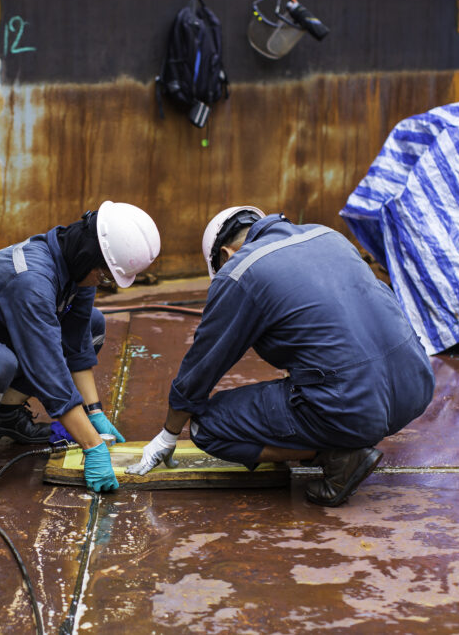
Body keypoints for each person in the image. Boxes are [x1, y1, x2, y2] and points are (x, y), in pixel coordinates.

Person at [127, 206, 434, 507]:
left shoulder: (241, 270)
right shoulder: (328, 236)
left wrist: (169, 434)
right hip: (416, 389)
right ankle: (345, 434)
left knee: (205, 427)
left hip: (353, 406)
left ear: (225, 255)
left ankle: (337, 457)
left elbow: (202, 366)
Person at [0, 201, 160, 492]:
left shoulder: (78, 268)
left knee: (93, 324)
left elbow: (77, 343)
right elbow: (48, 366)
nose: (101, 283)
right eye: (104, 275)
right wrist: (91, 444)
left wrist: (95, 413)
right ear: (89, 254)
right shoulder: (31, 280)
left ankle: (5, 415)